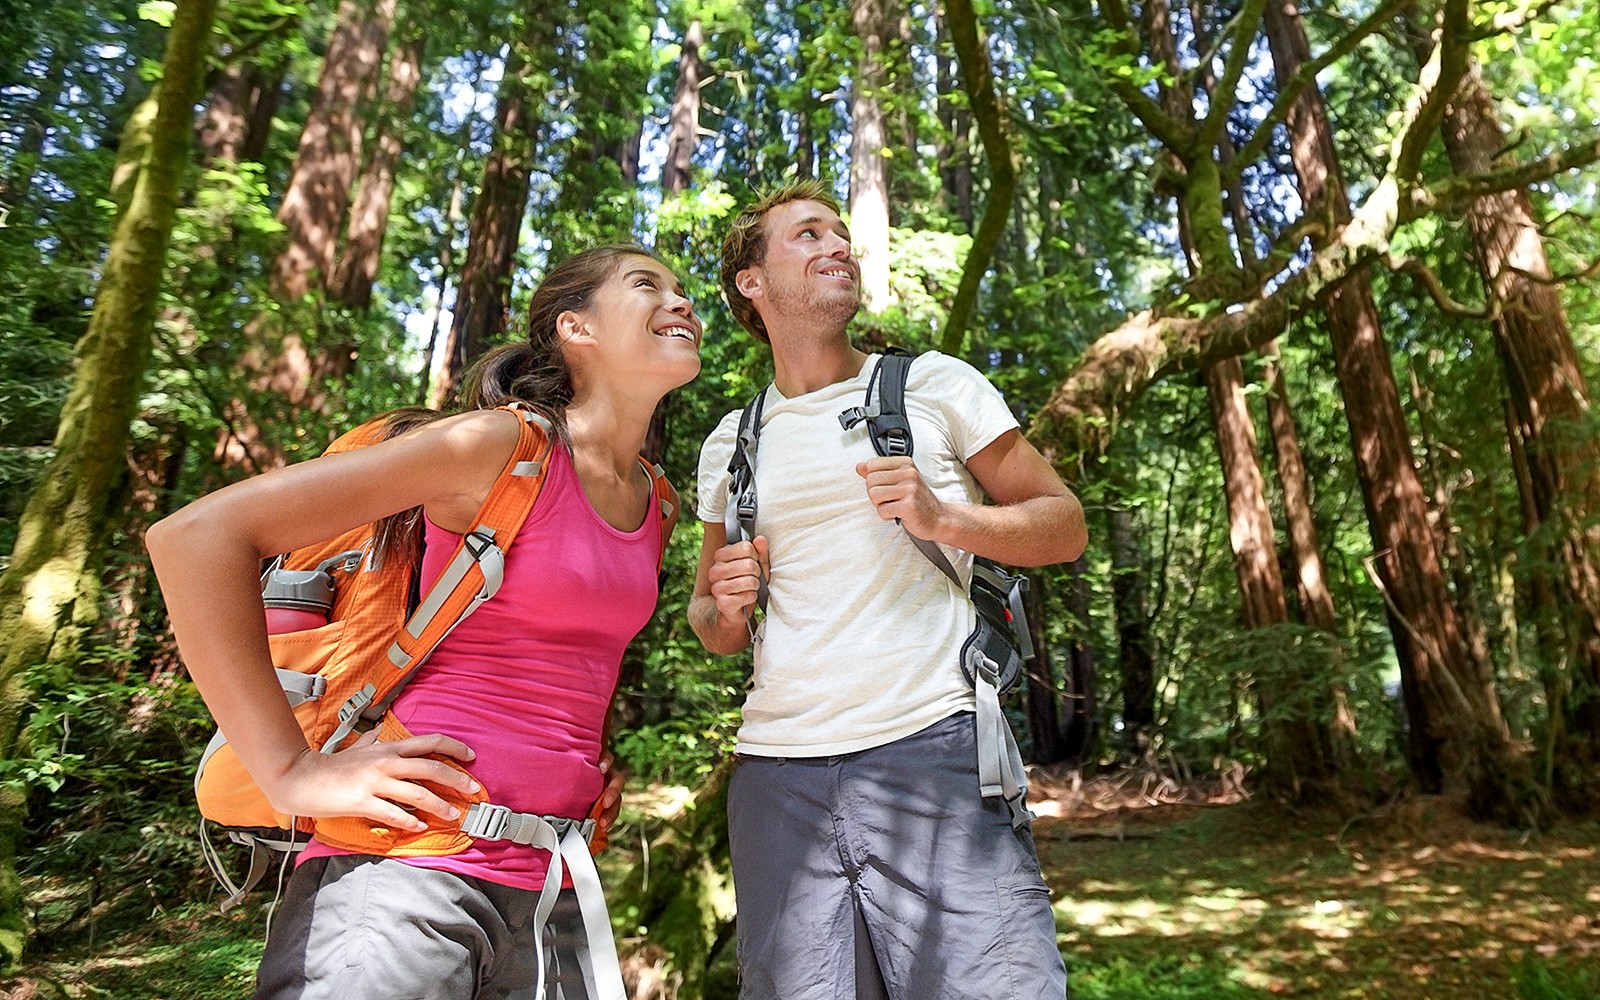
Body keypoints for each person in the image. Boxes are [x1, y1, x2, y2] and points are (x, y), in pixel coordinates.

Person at [147, 244, 703, 1000]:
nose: (681, 302)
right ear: (578, 329)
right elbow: (196, 537)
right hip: (404, 875)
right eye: (648, 286)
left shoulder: (657, 500)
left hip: (553, 887)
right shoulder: (502, 446)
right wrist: (292, 772)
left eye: (681, 290)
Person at [688, 180, 1087, 999]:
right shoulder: (733, 441)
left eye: (840, 234)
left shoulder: (934, 385)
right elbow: (712, 622)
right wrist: (725, 606)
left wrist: (945, 518)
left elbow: (1064, 524)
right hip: (775, 780)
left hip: (931, 750)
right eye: (806, 236)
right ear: (751, 284)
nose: (838, 245)